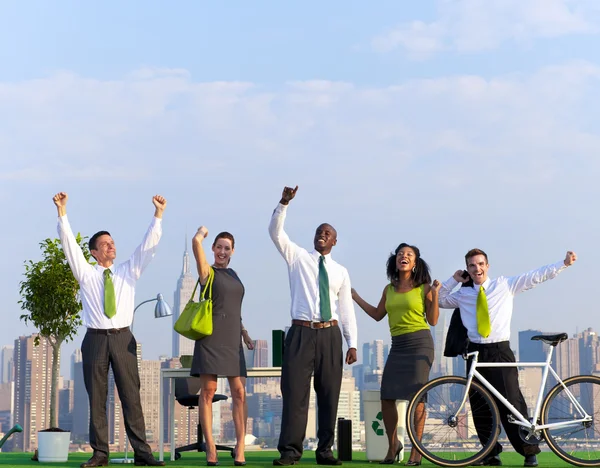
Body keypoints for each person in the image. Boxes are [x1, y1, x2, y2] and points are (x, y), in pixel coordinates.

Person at [53, 192, 166, 468]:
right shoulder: (87, 274)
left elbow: (146, 247)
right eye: (105, 244)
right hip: (95, 340)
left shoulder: (128, 271)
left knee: (131, 396)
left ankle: (142, 454)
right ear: (94, 252)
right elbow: (69, 246)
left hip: (123, 338)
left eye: (112, 242)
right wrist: (62, 212)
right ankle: (100, 454)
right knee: (97, 399)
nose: (111, 246)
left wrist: (158, 216)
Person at [438, 249, 577, 468]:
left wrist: (563, 264)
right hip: (475, 351)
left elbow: (535, 276)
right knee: (480, 405)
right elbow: (439, 300)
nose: (477, 269)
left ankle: (529, 451)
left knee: (512, 402)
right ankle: (489, 454)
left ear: (488, 266)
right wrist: (454, 279)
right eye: (472, 265)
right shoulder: (463, 294)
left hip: (500, 350)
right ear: (467, 268)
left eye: (481, 264)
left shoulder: (504, 285)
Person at [269, 186, 358, 466]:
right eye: (319, 231)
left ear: (334, 241)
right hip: (300, 333)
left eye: (327, 233)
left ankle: (324, 451)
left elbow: (346, 309)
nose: (322, 235)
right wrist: (283, 204)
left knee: (329, 394)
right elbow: (276, 233)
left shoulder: (340, 271)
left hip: (330, 335)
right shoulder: (297, 257)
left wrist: (352, 342)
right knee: (295, 392)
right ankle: (290, 452)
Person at [352, 243, 440, 466]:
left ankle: (416, 451)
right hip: (398, 345)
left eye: (409, 255)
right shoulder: (388, 289)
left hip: (420, 344)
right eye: (400, 254)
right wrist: (355, 297)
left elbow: (433, 320)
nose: (404, 257)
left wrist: (435, 295)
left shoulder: (424, 288)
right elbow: (377, 314)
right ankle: (393, 446)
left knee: (417, 398)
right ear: (395, 261)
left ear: (415, 262)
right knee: (387, 396)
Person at [190, 227, 247, 466]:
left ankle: (241, 446)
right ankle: (211, 448)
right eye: (219, 247)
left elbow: (235, 309)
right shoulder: (207, 272)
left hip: (234, 337)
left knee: (239, 394)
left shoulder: (234, 274)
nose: (222, 251)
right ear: (212, 249)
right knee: (208, 392)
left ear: (232, 251)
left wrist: (245, 333)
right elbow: (195, 244)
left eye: (227, 248)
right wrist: (200, 235)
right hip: (211, 336)